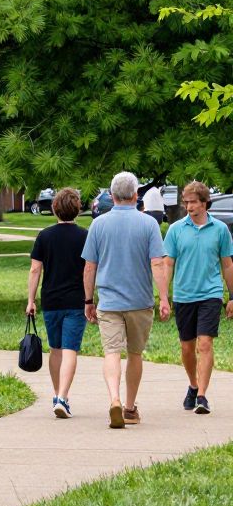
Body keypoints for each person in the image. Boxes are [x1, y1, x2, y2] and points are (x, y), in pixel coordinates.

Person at [83, 171, 170, 429]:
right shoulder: (149, 224)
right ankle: (130, 408)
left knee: (111, 352)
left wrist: (89, 300)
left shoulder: (98, 225)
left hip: (109, 303)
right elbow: (157, 263)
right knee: (135, 353)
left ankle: (114, 398)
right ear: (136, 195)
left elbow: (89, 267)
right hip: (140, 302)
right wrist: (163, 298)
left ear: (111, 196)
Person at [163, 181, 233, 415]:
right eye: (186, 202)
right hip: (184, 295)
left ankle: (202, 395)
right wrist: (164, 295)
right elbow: (168, 263)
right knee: (186, 347)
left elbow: (227, 264)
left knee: (205, 343)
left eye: (193, 202)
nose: (189, 206)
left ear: (205, 203)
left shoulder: (220, 229)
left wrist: (231, 296)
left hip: (210, 293)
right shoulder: (176, 230)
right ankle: (193, 385)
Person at [26, 188, 87, 418]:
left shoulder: (44, 236)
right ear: (78, 209)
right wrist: (90, 298)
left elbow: (35, 269)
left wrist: (31, 300)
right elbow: (90, 269)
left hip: (51, 300)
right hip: (76, 301)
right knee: (70, 348)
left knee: (55, 349)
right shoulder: (85, 235)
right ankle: (63, 396)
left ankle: (57, 395)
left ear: (54, 209)